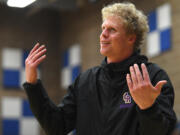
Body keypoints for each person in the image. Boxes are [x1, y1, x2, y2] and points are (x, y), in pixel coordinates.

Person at [23, 2, 177, 135]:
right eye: (103, 28)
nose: (103, 34)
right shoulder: (86, 81)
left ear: (131, 38)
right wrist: (32, 84)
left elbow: (162, 131)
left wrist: (148, 108)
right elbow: (56, 126)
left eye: (112, 30)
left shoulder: (153, 77)